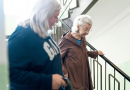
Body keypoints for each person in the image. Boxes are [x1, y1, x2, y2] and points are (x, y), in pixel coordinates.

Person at [7, 0, 67, 90]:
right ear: (44, 14)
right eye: (55, 16)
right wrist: (47, 81)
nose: (57, 21)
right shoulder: (22, 36)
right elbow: (10, 74)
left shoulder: (42, 33)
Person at [58, 15, 104, 90]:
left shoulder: (82, 38)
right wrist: (65, 72)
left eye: (89, 30)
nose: (87, 32)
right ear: (78, 26)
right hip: (72, 76)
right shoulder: (66, 40)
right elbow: (57, 58)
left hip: (84, 74)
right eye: (86, 29)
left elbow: (83, 52)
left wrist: (95, 53)